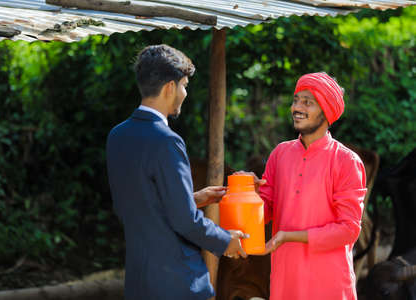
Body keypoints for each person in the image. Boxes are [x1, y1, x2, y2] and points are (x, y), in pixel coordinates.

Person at [106, 44, 247, 300]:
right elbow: (184, 221)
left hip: (139, 282)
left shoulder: (116, 136)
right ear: (170, 87)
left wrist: (193, 199)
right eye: (184, 85)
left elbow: (138, 206)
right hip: (178, 283)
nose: (184, 93)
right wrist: (226, 240)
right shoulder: (167, 141)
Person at [241, 72, 367, 300]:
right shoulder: (280, 153)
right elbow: (265, 211)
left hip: (329, 282)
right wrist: (248, 193)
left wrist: (288, 236)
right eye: (296, 100)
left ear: (326, 111)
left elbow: (348, 230)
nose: (296, 108)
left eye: (307, 102)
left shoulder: (346, 161)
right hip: (285, 279)